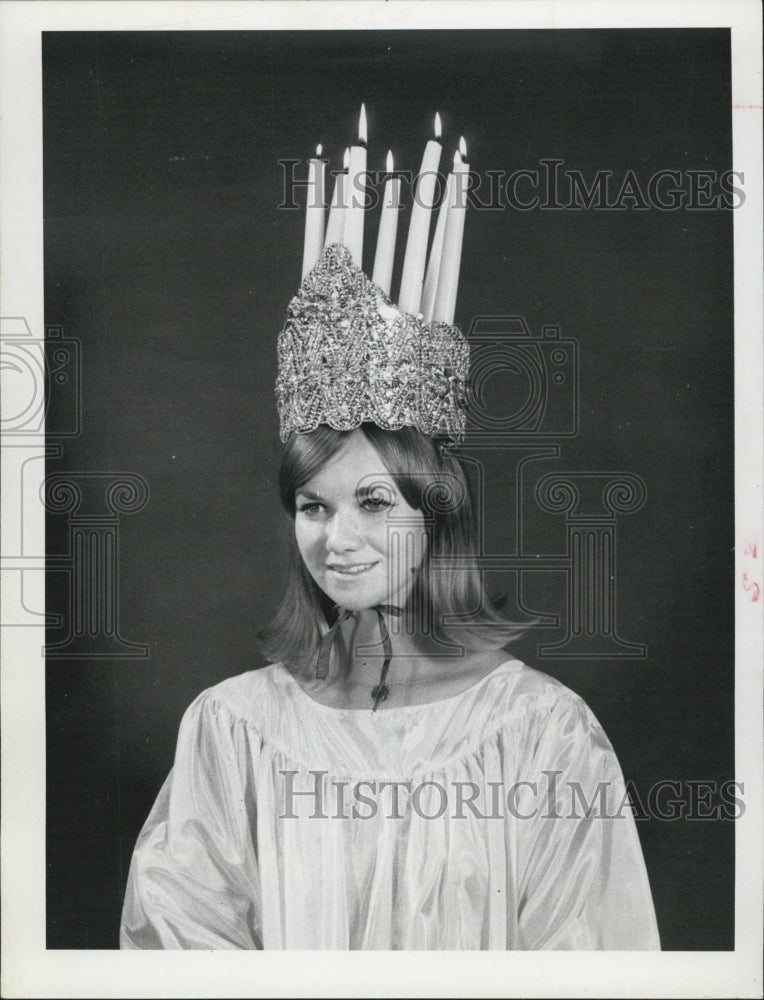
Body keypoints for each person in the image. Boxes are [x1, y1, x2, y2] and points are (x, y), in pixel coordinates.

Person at [120, 118, 660, 949]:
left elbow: (587, 957)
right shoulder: (234, 728)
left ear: (436, 508)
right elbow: (181, 939)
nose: (337, 540)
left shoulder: (541, 733)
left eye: (373, 502)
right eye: (313, 506)